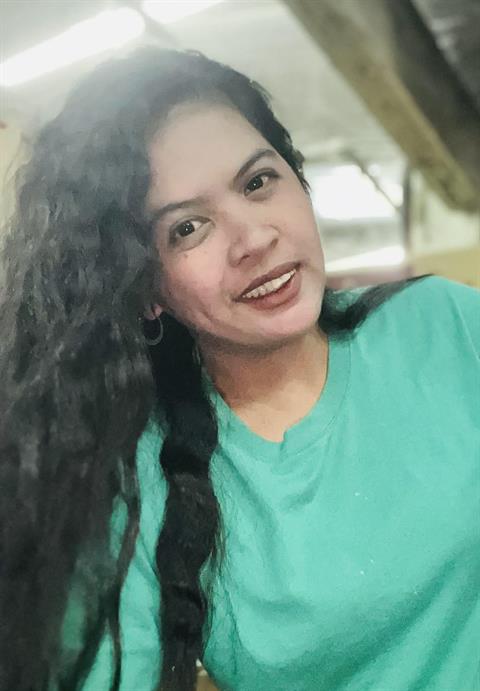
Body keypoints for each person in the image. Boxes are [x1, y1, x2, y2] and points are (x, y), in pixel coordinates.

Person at [0, 47, 478, 691]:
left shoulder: (445, 323)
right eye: (188, 228)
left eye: (257, 183)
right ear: (144, 290)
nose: (253, 238)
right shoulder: (134, 481)